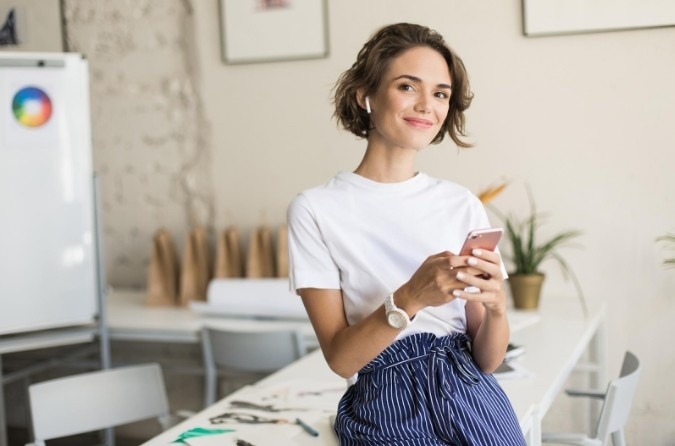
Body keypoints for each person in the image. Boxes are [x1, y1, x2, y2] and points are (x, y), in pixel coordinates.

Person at [287, 23, 526, 446]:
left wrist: (498, 310)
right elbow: (341, 360)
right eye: (406, 86)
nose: (426, 106)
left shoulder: (462, 203)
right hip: (384, 400)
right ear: (366, 95)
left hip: (471, 390)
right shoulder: (316, 210)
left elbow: (487, 361)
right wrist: (411, 297)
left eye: (440, 93)